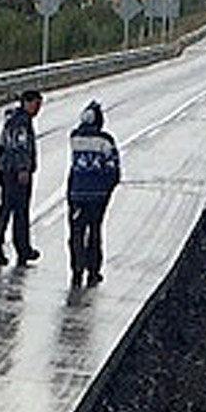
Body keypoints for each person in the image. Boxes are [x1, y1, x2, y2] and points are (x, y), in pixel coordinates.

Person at [62, 100, 120, 284]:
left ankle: (77, 268)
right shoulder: (105, 141)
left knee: (76, 232)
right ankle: (93, 270)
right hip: (98, 195)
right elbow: (113, 168)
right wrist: (108, 188)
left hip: (77, 193)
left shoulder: (75, 138)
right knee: (95, 231)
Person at [0, 87, 43, 266]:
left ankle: (16, 246)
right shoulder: (21, 122)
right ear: (27, 103)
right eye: (36, 105)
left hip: (6, 169)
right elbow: (19, 146)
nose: (38, 109)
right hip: (15, 172)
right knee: (16, 210)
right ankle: (7, 247)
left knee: (8, 208)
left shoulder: (13, 118)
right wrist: (24, 169)